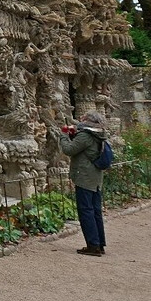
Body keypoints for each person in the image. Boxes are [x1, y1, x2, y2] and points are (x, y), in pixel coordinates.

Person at [58, 110, 109, 256]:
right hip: (95, 177)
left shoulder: (86, 136)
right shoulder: (99, 134)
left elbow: (69, 150)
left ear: (89, 120)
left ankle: (93, 245)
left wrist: (64, 135)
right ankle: (99, 244)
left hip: (85, 177)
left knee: (86, 210)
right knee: (95, 211)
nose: (81, 119)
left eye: (84, 117)